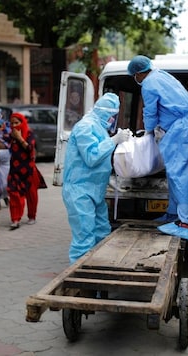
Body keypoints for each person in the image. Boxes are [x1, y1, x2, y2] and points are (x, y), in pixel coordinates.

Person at [128, 55, 188, 246]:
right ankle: (173, 214)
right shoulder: (162, 75)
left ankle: (187, 224)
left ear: (139, 73)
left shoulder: (149, 84)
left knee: (179, 174)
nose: (136, 79)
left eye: (134, 76)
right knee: (174, 174)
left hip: (180, 129)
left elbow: (150, 111)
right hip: (181, 126)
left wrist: (148, 133)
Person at [62, 93, 131, 264]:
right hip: (80, 191)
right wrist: (114, 140)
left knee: (102, 233)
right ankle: (80, 283)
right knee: (84, 239)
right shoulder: (85, 127)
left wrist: (110, 179)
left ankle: (99, 275)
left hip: (94, 190)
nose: (113, 120)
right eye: (112, 116)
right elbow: (92, 156)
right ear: (106, 113)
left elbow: (99, 162)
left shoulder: (98, 127)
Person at [6, 112, 45, 230]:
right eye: (12, 123)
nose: (14, 126)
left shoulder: (29, 133)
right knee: (14, 194)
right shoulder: (10, 135)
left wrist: (19, 138)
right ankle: (15, 218)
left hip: (28, 169)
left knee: (31, 195)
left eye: (16, 123)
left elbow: (30, 149)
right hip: (14, 170)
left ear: (22, 123)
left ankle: (32, 216)